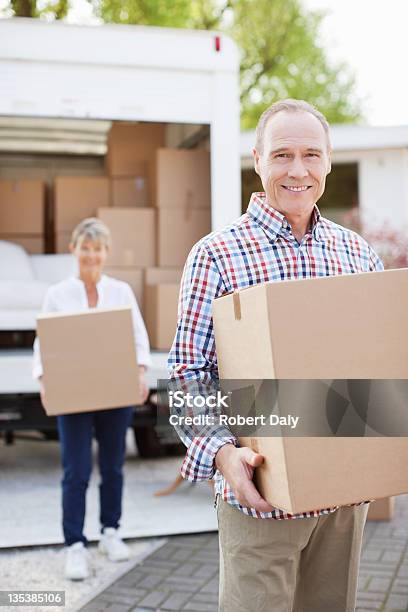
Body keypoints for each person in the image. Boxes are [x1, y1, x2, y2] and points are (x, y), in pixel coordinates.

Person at [168, 99, 384, 612]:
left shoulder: (357, 254)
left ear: (329, 160)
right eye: (282, 154)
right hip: (260, 499)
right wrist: (222, 454)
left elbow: (380, 363)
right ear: (258, 159)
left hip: (344, 499)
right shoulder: (216, 254)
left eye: (311, 154)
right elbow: (185, 376)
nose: (297, 169)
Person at [33, 217, 151, 581]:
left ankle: (110, 532)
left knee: (113, 466)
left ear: (105, 253)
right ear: (73, 250)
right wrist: (44, 379)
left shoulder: (120, 291)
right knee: (76, 471)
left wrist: (142, 371)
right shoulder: (58, 294)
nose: (91, 254)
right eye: (85, 247)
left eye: (97, 248)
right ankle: (75, 545)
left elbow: (138, 337)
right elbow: (44, 342)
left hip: (115, 394)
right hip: (74, 396)